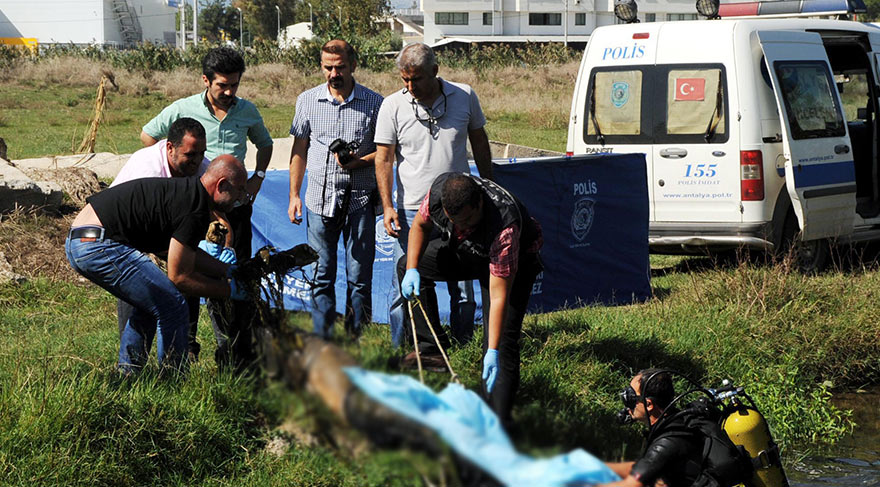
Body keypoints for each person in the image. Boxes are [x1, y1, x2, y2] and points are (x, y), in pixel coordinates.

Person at [141, 47, 273, 369]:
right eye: (221, 86)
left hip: (235, 210)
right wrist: (174, 179)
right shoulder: (183, 109)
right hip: (194, 209)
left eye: (234, 86)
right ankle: (184, 349)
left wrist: (257, 177)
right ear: (206, 80)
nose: (228, 92)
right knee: (187, 274)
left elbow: (266, 144)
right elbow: (148, 136)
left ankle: (232, 351)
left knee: (233, 273)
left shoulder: (247, 111)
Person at [65, 155, 251, 374]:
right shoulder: (195, 209)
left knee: (152, 302)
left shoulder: (188, 195)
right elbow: (180, 277)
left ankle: (130, 375)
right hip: (97, 243)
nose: (241, 198)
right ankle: (173, 379)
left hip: (82, 239)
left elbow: (182, 255)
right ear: (221, 185)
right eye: (239, 190)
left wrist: (227, 270)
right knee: (173, 305)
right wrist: (230, 291)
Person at [375, 42, 494, 350]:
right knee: (406, 281)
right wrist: (388, 205)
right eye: (404, 79)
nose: (410, 86)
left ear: (435, 72)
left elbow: (479, 141)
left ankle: (463, 344)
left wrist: (490, 185)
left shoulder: (464, 95)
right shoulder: (392, 105)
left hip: (458, 211)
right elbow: (384, 158)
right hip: (413, 211)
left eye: (416, 78)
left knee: (464, 289)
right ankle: (404, 347)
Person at [400, 173, 542, 430]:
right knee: (408, 265)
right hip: (468, 250)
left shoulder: (504, 227)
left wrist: (492, 351)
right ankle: (432, 350)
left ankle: (496, 424)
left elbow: (498, 295)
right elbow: (420, 226)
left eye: (465, 220)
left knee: (501, 344)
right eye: (454, 221)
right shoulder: (439, 194)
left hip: (513, 267)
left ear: (479, 204)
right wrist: (412, 268)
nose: (460, 226)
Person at [288, 40, 384, 340]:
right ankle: (324, 340)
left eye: (340, 67)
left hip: (360, 200)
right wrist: (293, 195)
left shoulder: (375, 102)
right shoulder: (307, 101)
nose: (333, 73)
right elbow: (299, 149)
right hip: (319, 199)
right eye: (328, 67)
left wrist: (358, 162)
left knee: (359, 278)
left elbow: (385, 152)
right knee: (321, 274)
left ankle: (356, 341)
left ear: (353, 65)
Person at [110, 117, 217, 361]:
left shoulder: (198, 164)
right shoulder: (146, 169)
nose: (197, 161)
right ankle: (132, 363)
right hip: (123, 235)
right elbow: (136, 228)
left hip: (163, 229)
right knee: (137, 288)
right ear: (169, 148)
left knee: (185, 268)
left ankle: (183, 350)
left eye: (202, 153)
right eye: (191, 154)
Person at [599, 369, 751, 487]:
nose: (627, 405)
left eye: (631, 398)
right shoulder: (681, 420)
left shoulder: (666, 442)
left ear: (649, 405)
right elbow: (642, 466)